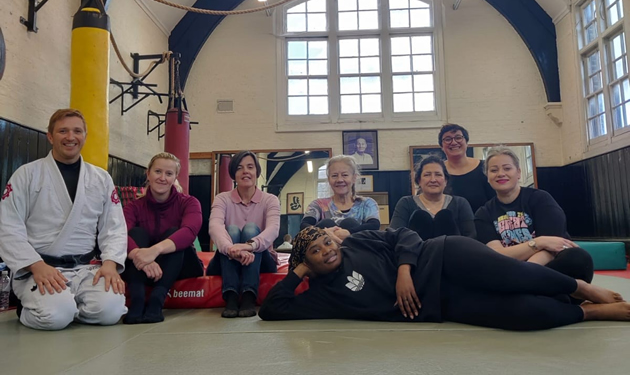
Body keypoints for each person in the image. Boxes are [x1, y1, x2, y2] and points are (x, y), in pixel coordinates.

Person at [259, 226, 630, 330]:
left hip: (443, 257)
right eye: (316, 252)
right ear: (307, 265)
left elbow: (405, 235)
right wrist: (299, 271)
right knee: (523, 315)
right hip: (443, 303)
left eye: (327, 241)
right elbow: (272, 309)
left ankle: (580, 287)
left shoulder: (357, 241)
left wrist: (404, 270)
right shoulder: (321, 296)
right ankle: (588, 312)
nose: (327, 249)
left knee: (513, 276)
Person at [0, 109, 127, 330]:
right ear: (50, 136)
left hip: (86, 268)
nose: (70, 137)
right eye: (63, 131)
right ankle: (40, 308)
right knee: (55, 317)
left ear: (85, 136)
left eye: (77, 131)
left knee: (110, 312)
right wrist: (36, 266)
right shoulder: (27, 174)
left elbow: (114, 227)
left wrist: (110, 264)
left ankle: (68, 306)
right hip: (40, 268)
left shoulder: (101, 178)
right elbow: (8, 226)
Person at [475, 146, 593, 283]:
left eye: (507, 168)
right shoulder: (483, 213)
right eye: (494, 170)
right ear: (487, 177)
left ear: (518, 173)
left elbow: (551, 248)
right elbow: (497, 255)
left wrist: (526, 273)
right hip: (509, 269)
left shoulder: (540, 199)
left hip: (544, 267)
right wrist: (538, 242)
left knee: (578, 258)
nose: (501, 174)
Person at [122, 152, 204, 324]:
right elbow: (119, 234)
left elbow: (189, 231)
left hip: (181, 265)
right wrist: (139, 255)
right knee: (136, 233)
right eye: (158, 171)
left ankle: (157, 300)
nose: (162, 178)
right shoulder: (133, 207)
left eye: (169, 174)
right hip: (143, 268)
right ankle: (137, 300)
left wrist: (155, 251)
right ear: (148, 174)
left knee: (175, 233)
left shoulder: (189, 202)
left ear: (175, 177)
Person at [206, 151, 280, 318]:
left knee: (251, 229)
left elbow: (273, 230)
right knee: (231, 230)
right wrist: (230, 248)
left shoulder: (270, 200)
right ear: (233, 174)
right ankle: (231, 295)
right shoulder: (222, 199)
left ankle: (248, 295)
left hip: (261, 259)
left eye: (250, 167)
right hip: (227, 255)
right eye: (239, 168)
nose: (245, 171)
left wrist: (248, 246)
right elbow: (215, 226)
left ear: (257, 172)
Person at [390, 156, 475, 239]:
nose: (433, 180)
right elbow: (394, 236)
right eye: (427, 175)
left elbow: (471, 238)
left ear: (445, 180)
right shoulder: (406, 203)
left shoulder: (460, 203)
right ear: (419, 180)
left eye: (438, 174)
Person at [300, 155, 380, 242]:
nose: (339, 180)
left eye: (345, 175)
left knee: (350, 223)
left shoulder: (367, 203)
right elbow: (304, 226)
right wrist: (324, 232)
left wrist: (349, 232)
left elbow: (374, 225)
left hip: (356, 248)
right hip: (327, 248)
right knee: (326, 223)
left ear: (354, 178)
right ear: (329, 179)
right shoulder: (318, 205)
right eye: (334, 176)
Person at [439, 123, 495, 213]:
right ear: (441, 146)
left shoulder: (485, 167)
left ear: (466, 142)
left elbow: (496, 200)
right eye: (448, 139)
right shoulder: (437, 172)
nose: (453, 142)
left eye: (458, 137)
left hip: (483, 220)